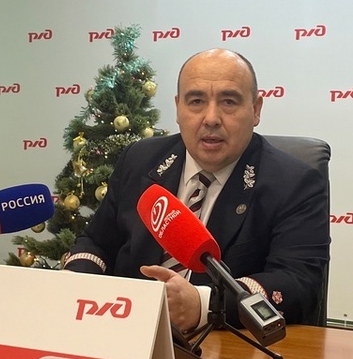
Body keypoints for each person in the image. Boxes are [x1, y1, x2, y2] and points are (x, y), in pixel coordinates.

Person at [64, 48, 329, 332]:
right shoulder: (140, 160)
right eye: (196, 101)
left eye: (228, 101)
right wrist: (76, 285)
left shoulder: (295, 182)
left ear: (255, 110)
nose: (211, 118)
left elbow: (298, 281)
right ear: (178, 107)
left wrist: (204, 305)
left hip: (228, 346)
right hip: (128, 332)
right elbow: (96, 243)